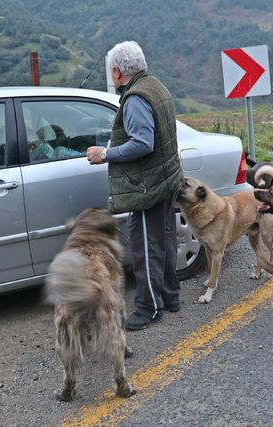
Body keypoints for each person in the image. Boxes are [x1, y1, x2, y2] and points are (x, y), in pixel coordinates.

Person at [87, 41, 183, 330]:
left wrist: (104, 154)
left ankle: (149, 307)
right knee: (164, 239)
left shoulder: (135, 98)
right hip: (165, 178)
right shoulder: (155, 86)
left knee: (145, 247)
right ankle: (169, 296)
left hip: (146, 186)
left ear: (117, 72)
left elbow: (143, 143)